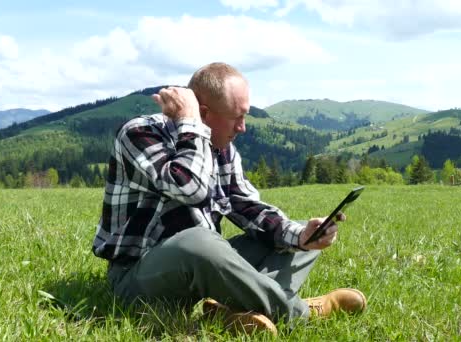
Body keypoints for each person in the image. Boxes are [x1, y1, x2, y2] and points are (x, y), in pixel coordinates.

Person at [92, 62, 366, 335]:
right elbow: (190, 188)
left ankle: (232, 312)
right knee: (198, 240)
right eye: (237, 117)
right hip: (139, 278)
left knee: (295, 239)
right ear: (203, 113)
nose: (243, 127)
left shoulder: (222, 148)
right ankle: (301, 312)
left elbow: (245, 205)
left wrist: (300, 235)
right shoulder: (140, 133)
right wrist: (190, 125)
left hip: (203, 270)